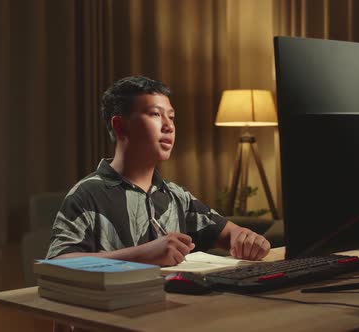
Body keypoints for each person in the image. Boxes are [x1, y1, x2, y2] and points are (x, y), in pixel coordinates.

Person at [46, 76, 270, 266]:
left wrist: (245, 239)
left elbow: (230, 232)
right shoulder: (87, 194)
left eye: (171, 117)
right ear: (120, 126)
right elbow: (59, 263)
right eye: (155, 114)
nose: (169, 126)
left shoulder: (176, 195)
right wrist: (145, 255)